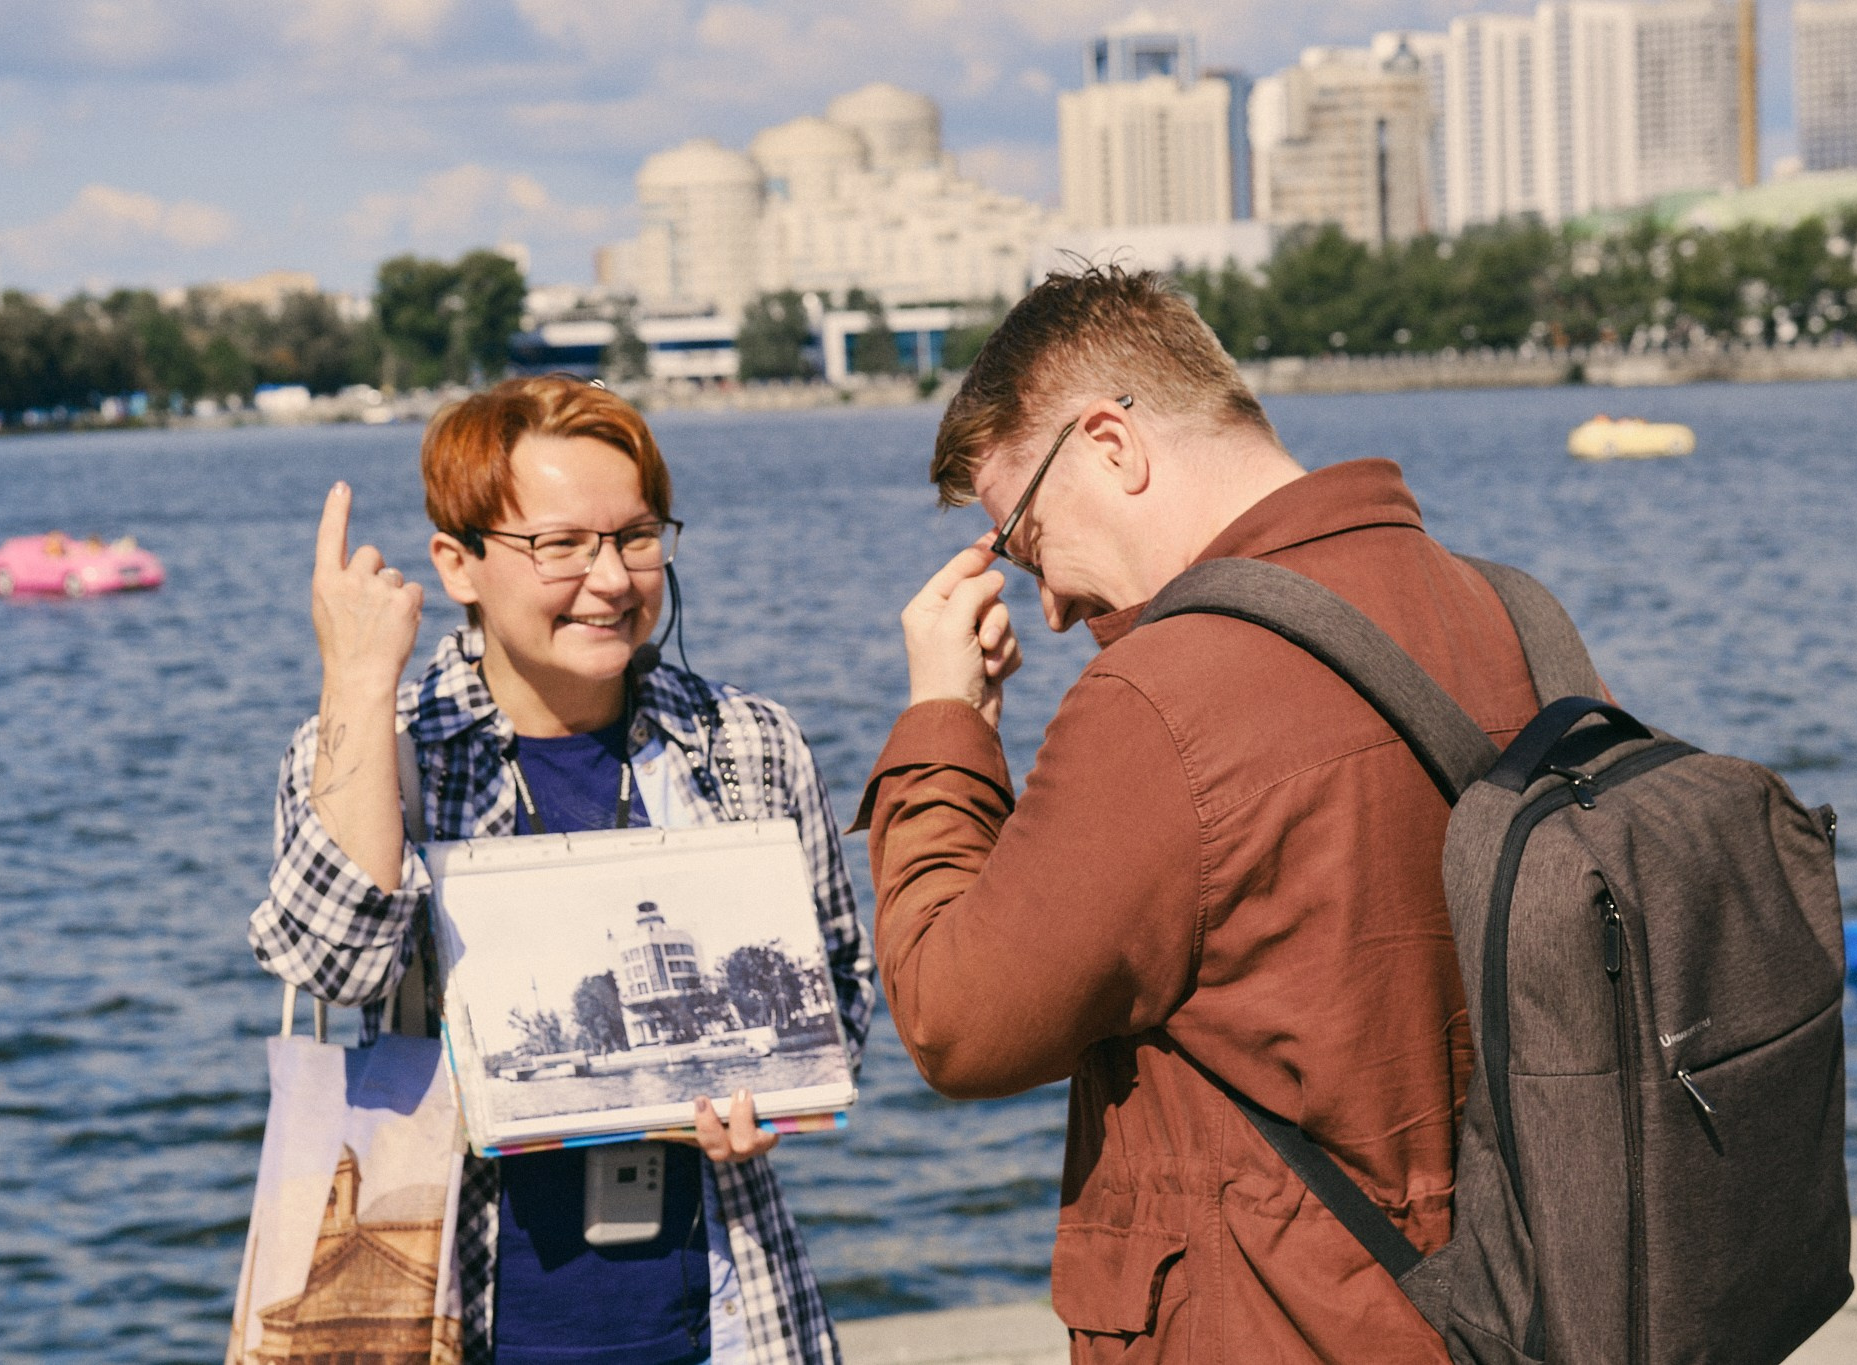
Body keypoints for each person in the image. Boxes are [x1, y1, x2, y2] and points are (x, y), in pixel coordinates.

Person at [854, 266, 1544, 1363]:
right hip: (1519, 1310)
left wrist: (945, 722)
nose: (1050, 603)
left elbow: (954, 1022)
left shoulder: (1162, 696)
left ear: (1110, 446)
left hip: (1277, 1328)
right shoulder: (1511, 612)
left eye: (1027, 540)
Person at [249, 375, 874, 1365]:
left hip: (726, 1318)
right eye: (558, 546)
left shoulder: (749, 744)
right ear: (457, 563)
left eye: (634, 537)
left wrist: (781, 1094)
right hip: (454, 1317)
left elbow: (838, 990)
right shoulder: (378, 748)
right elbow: (333, 966)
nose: (612, 578)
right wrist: (357, 683)